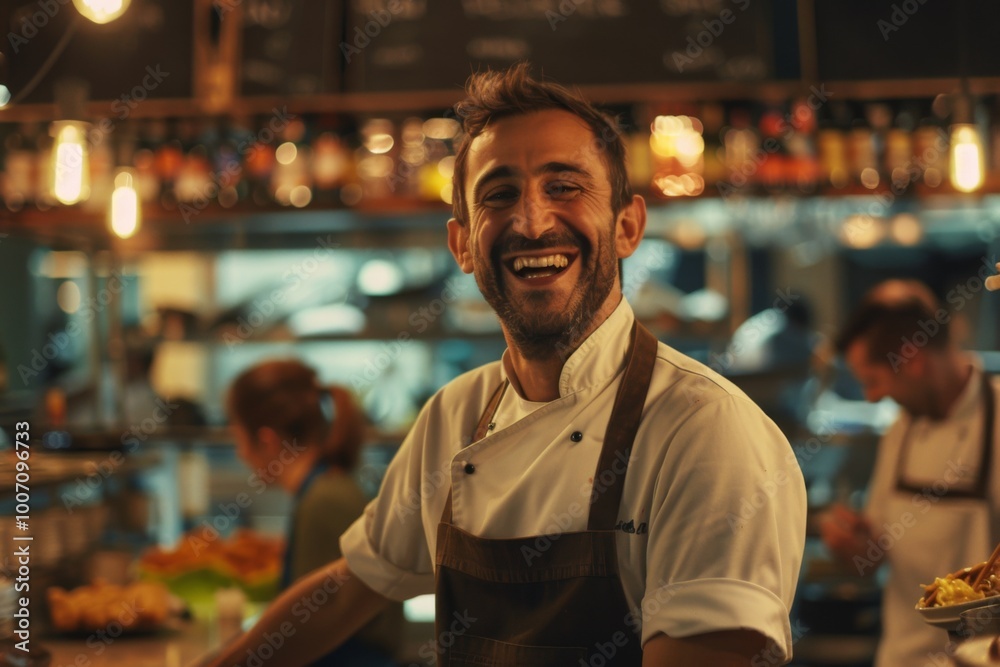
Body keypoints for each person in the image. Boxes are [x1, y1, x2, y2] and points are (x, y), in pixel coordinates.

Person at [204, 63, 805, 667]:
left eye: (564, 186)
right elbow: (350, 588)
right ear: (462, 244)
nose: (532, 221)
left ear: (627, 226)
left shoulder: (705, 430)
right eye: (498, 194)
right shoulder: (455, 414)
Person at [821, 281, 1000, 666]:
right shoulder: (900, 430)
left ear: (913, 359)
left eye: (873, 380)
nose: (871, 398)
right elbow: (874, 559)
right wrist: (854, 550)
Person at [226, 360, 402, 666]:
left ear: (266, 440)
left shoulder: (324, 500)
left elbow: (310, 627)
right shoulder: (325, 488)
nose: (240, 454)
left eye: (238, 438)